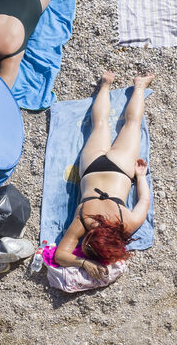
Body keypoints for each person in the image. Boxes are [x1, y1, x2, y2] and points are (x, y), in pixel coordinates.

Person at [53, 71, 153, 280]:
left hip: (120, 168)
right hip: (92, 167)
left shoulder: (127, 224)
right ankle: (106, 84)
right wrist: (83, 262)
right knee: (100, 124)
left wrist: (141, 177)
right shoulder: (83, 221)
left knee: (130, 124)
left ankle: (138, 85)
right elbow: (60, 256)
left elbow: (144, 199)